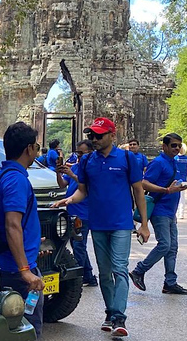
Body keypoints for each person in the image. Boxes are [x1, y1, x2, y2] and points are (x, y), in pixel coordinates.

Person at [52, 117, 149, 338]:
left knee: (119, 269)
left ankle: (119, 316)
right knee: (105, 273)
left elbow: (138, 191)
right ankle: (110, 312)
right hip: (98, 224)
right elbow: (82, 191)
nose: (94, 139)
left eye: (99, 135)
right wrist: (66, 201)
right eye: (92, 136)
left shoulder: (127, 158)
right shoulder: (88, 162)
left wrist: (144, 223)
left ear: (112, 135)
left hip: (121, 224)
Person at [0, 122, 44, 338]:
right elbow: (12, 225)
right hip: (15, 271)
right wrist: (25, 271)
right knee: (26, 331)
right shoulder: (16, 179)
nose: (37, 152)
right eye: (37, 147)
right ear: (29, 149)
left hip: (6, 263)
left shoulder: (0, 175)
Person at [128, 133, 187, 295]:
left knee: (172, 247)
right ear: (164, 146)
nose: (177, 148)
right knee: (165, 244)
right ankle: (139, 271)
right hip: (160, 209)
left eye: (179, 145)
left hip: (171, 211)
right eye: (173, 145)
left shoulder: (173, 162)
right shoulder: (158, 162)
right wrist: (166, 190)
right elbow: (144, 182)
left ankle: (170, 282)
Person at [55, 139, 98, 287]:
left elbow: (88, 185)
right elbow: (62, 184)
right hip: (71, 212)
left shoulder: (92, 168)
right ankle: (89, 275)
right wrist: (58, 172)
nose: (79, 156)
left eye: (82, 153)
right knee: (76, 245)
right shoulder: (76, 166)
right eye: (77, 153)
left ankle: (80, 276)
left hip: (84, 213)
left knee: (79, 245)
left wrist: (72, 175)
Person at [175, 143, 187, 220]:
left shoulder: (175, 158)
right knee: (182, 198)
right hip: (184, 179)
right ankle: (181, 213)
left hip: (176, 179)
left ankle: (175, 212)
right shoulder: (186, 158)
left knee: (176, 197)